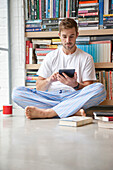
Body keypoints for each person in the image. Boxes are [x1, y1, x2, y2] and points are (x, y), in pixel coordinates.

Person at [12, 18, 106, 119]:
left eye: (71, 36)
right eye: (64, 37)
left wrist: (75, 85)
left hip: (74, 96)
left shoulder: (86, 58)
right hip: (51, 97)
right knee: (17, 93)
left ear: (77, 35)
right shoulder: (51, 56)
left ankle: (49, 112)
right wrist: (50, 80)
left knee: (99, 89)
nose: (68, 41)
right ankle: (71, 111)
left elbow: (89, 87)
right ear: (59, 36)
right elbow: (39, 87)